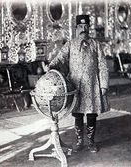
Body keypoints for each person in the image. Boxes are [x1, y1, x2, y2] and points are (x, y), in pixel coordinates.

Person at [47, 15, 109, 153]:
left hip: (93, 86)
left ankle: (91, 142)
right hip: (76, 86)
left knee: (92, 114)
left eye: (86, 27)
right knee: (78, 114)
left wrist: (103, 85)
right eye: (80, 27)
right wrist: (51, 66)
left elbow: (103, 65)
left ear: (89, 28)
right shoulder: (70, 44)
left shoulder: (96, 44)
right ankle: (80, 141)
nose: (83, 29)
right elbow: (61, 58)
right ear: (76, 28)